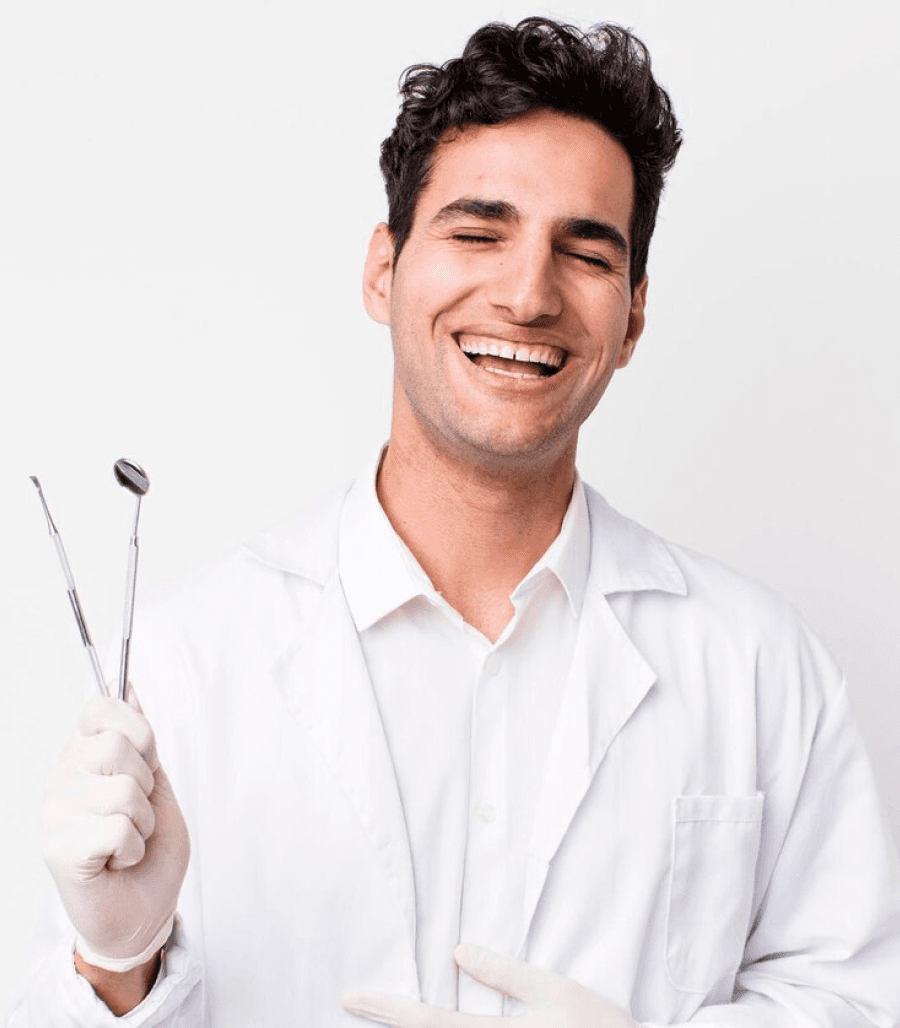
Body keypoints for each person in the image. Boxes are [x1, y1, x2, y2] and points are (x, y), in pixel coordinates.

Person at [8, 16, 900, 1028]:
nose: (526, 294)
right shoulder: (187, 661)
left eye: (586, 252)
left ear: (634, 315)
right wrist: (116, 963)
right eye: (479, 232)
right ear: (383, 271)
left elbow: (849, 1002)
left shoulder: (760, 668)